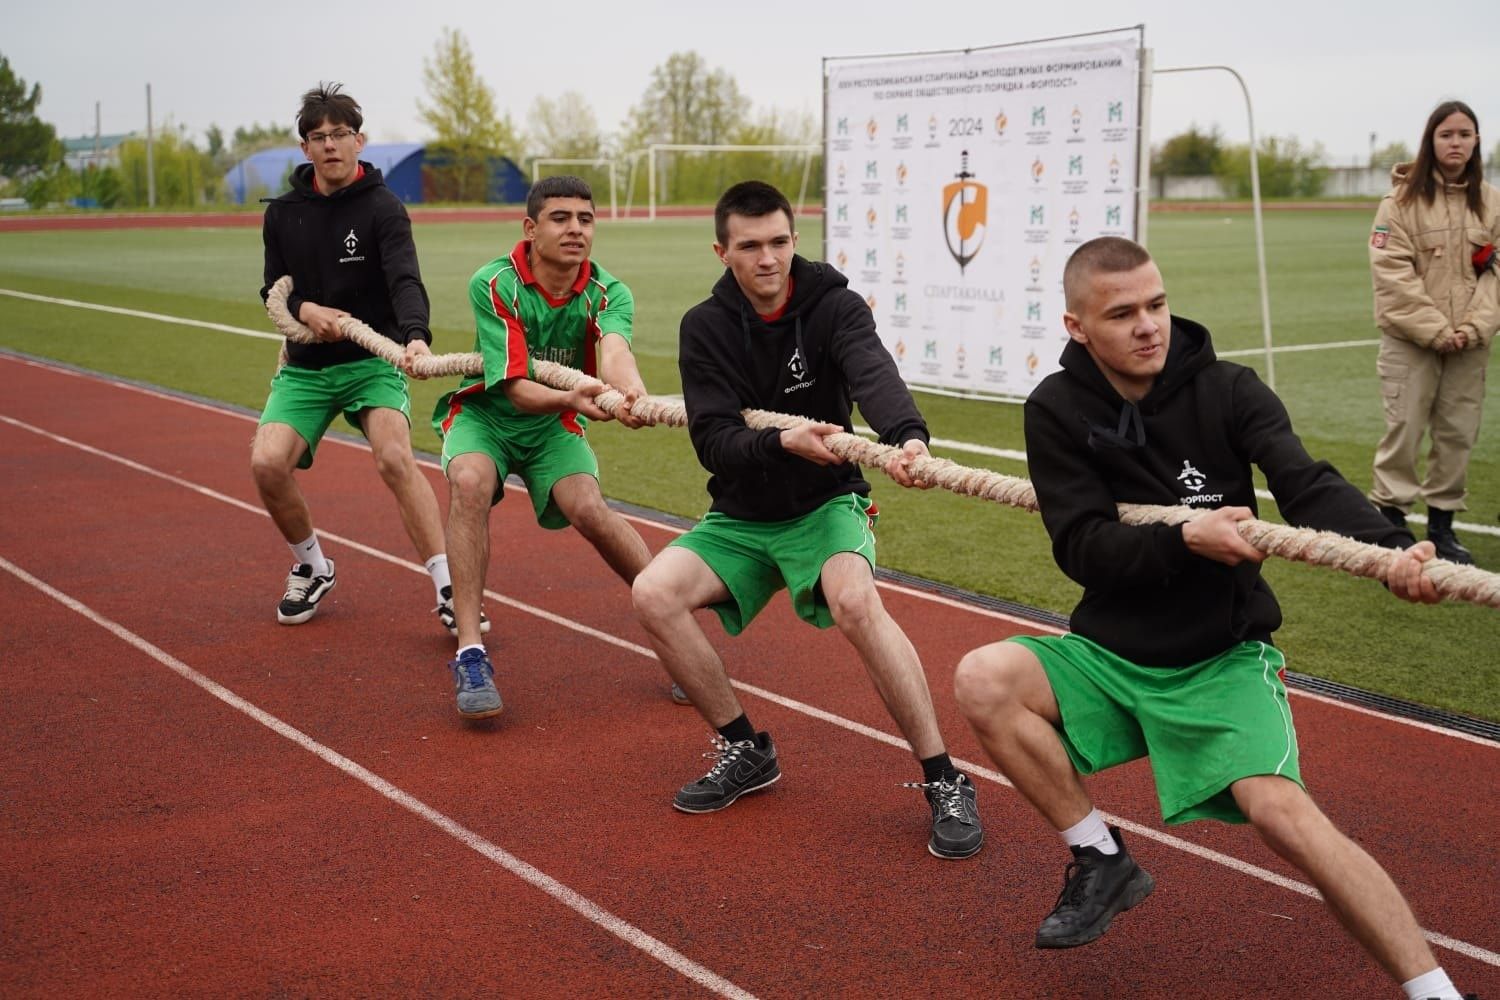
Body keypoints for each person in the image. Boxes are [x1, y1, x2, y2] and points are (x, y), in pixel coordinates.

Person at [952, 236, 1469, 999]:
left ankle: (1435, 992)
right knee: (982, 677)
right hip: (1114, 655)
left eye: (1156, 304)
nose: (1148, 325)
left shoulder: (1228, 389)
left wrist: (1390, 552)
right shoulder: (1056, 410)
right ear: (1076, 327)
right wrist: (1186, 537)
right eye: (1122, 313)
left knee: (1284, 816)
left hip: (1221, 656)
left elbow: (1304, 482)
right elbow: (1084, 547)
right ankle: (1100, 857)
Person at [630, 180, 984, 861]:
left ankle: (944, 777)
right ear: (722, 250)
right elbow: (713, 440)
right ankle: (744, 749)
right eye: (750, 246)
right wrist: (779, 441)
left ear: (796, 240)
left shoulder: (835, 306)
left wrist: (906, 434)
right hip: (742, 512)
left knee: (855, 600)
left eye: (780, 243)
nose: (768, 259)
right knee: (653, 593)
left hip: (826, 502)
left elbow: (871, 372)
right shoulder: (705, 327)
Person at [433, 175, 652, 720]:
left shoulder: (609, 291)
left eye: (585, 218)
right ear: (531, 229)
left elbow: (615, 349)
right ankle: (470, 652)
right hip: (490, 417)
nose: (575, 229)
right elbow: (513, 387)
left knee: (589, 508)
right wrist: (574, 395)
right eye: (561, 218)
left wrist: (631, 391)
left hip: (553, 424)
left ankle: (677, 627)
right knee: (470, 483)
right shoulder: (495, 282)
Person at [252, 83, 462, 632]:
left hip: (372, 361)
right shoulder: (282, 215)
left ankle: (449, 586)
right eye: (318, 137)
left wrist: (415, 336)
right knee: (267, 464)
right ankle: (312, 566)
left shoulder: (384, 208)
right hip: (307, 365)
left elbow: (405, 280)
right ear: (305, 149)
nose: (330, 146)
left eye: (340, 135)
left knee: (394, 456)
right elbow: (274, 288)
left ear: (359, 141)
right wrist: (305, 308)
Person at [1368, 99, 1500, 565]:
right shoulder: (1400, 203)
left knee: (1458, 431)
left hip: (1470, 343)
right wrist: (1437, 329)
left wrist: (1473, 327)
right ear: (1431, 141)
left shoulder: (1491, 201)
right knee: (1404, 427)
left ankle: (1442, 526)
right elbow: (1391, 273)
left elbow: (1495, 271)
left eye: (1465, 134)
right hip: (1412, 341)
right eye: (1447, 134)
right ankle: (1392, 522)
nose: (1456, 142)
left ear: (1476, 141)